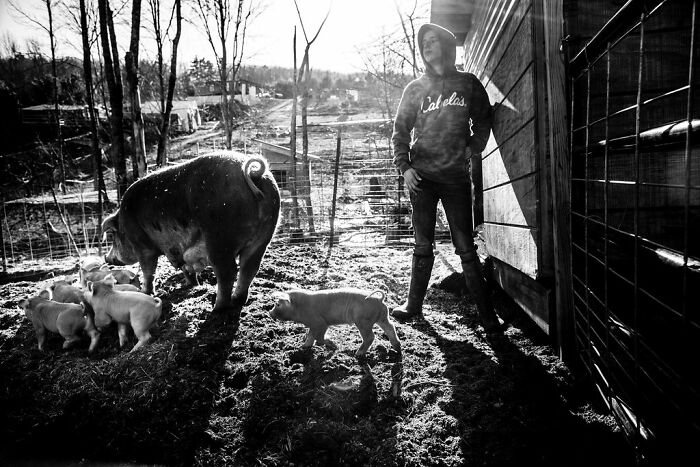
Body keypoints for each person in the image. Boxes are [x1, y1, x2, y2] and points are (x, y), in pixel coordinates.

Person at [391, 23, 502, 332]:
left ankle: (487, 316)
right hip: (422, 179)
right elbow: (399, 132)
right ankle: (413, 307)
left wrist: (474, 147)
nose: (427, 46)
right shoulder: (415, 88)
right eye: (423, 42)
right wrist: (406, 168)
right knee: (422, 244)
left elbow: (483, 119)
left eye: (432, 40)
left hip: (455, 178)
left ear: (446, 45)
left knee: (466, 247)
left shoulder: (467, 84)